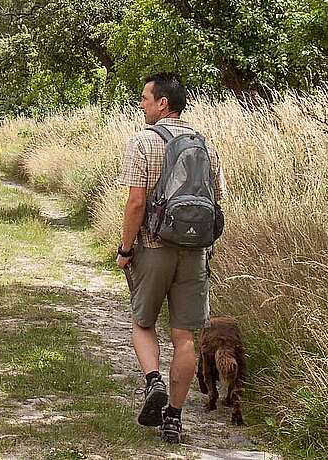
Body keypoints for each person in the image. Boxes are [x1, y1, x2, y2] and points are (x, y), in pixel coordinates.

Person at [116, 72, 227, 443]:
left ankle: (153, 382)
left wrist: (125, 249)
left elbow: (136, 202)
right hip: (195, 252)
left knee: (143, 322)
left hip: (153, 246)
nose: (142, 105)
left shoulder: (144, 141)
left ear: (163, 103)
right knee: (185, 337)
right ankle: (174, 419)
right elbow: (217, 200)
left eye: (145, 99)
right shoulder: (206, 145)